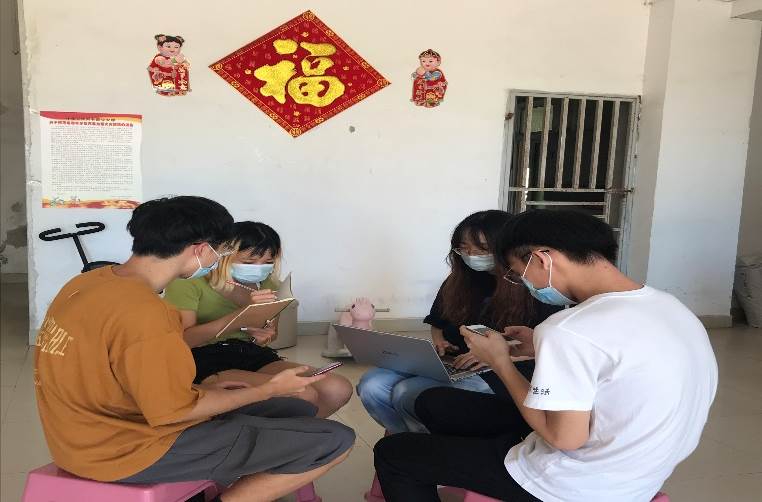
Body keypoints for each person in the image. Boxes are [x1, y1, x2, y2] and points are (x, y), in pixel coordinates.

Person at [374, 209, 717, 502]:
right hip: (642, 472)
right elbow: (617, 360)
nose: (521, 281)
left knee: (394, 454)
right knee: (434, 403)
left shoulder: (569, 328)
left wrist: (500, 362)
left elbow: (565, 438)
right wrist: (538, 346)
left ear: (541, 259)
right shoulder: (670, 307)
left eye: (517, 272)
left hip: (574, 482)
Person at [34, 196, 354, 502]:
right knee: (335, 439)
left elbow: (124, 378)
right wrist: (267, 389)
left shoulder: (87, 283)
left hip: (76, 439)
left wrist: (208, 390)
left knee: (294, 409)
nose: (218, 260)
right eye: (220, 251)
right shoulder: (144, 313)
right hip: (129, 449)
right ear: (200, 249)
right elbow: (175, 412)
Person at [357, 210, 558, 433]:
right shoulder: (460, 280)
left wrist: (496, 355)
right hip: (454, 362)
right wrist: (440, 341)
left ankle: (419, 440)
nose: (471, 255)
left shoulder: (534, 287)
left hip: (505, 368)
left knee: (406, 391)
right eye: (464, 248)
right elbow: (437, 322)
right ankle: (401, 436)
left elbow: (549, 346)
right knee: (372, 384)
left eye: (481, 249)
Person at [164, 221, 352, 418]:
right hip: (203, 358)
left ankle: (294, 432)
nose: (259, 269)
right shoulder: (191, 281)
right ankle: (279, 431)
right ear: (224, 256)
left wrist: (265, 335)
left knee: (337, 388)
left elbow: (270, 334)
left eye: (267, 262)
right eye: (248, 262)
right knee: (303, 395)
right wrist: (238, 318)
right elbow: (183, 340)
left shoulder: (268, 283)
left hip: (249, 353)